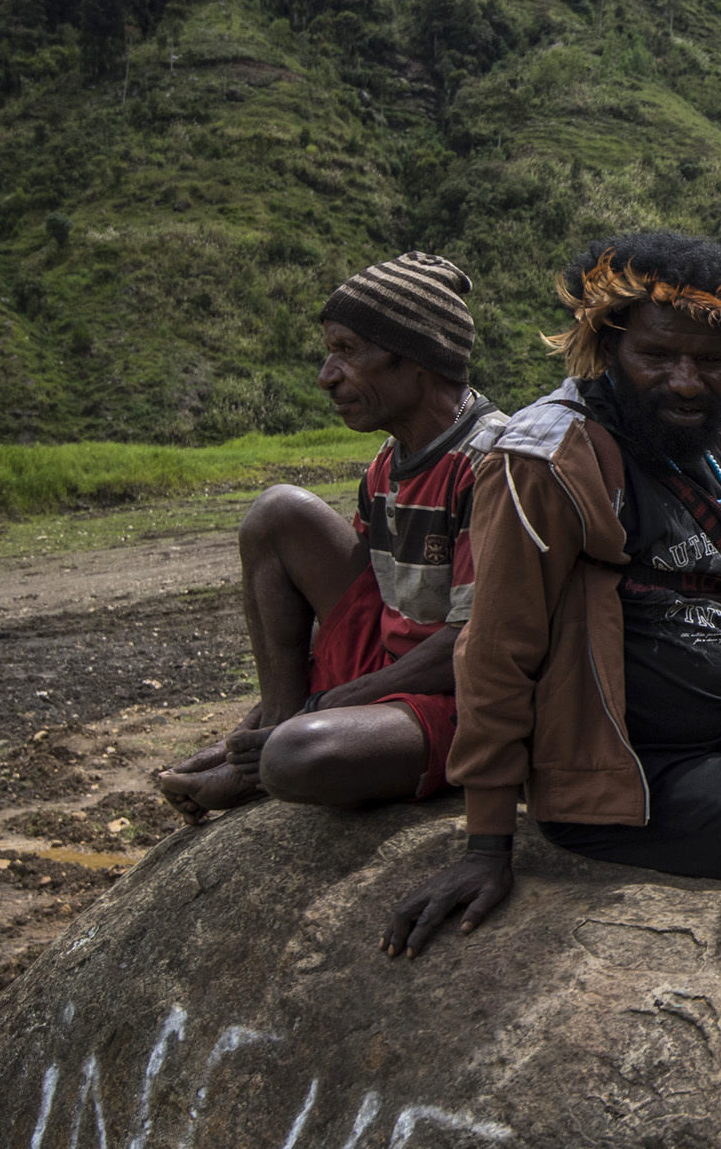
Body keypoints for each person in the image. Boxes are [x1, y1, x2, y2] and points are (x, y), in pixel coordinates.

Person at [382, 232, 721, 953]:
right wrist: (487, 845)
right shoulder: (546, 459)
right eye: (657, 358)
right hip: (642, 774)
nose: (685, 382)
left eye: (710, 362)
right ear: (609, 350)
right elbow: (496, 653)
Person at [156, 253, 502, 820]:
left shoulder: (490, 462)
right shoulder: (389, 464)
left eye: (346, 351)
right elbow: (355, 604)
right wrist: (266, 716)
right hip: (391, 665)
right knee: (278, 512)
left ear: (417, 357)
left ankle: (274, 756)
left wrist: (319, 710)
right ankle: (268, 744)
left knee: (296, 757)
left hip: (461, 695)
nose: (326, 375)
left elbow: (474, 645)